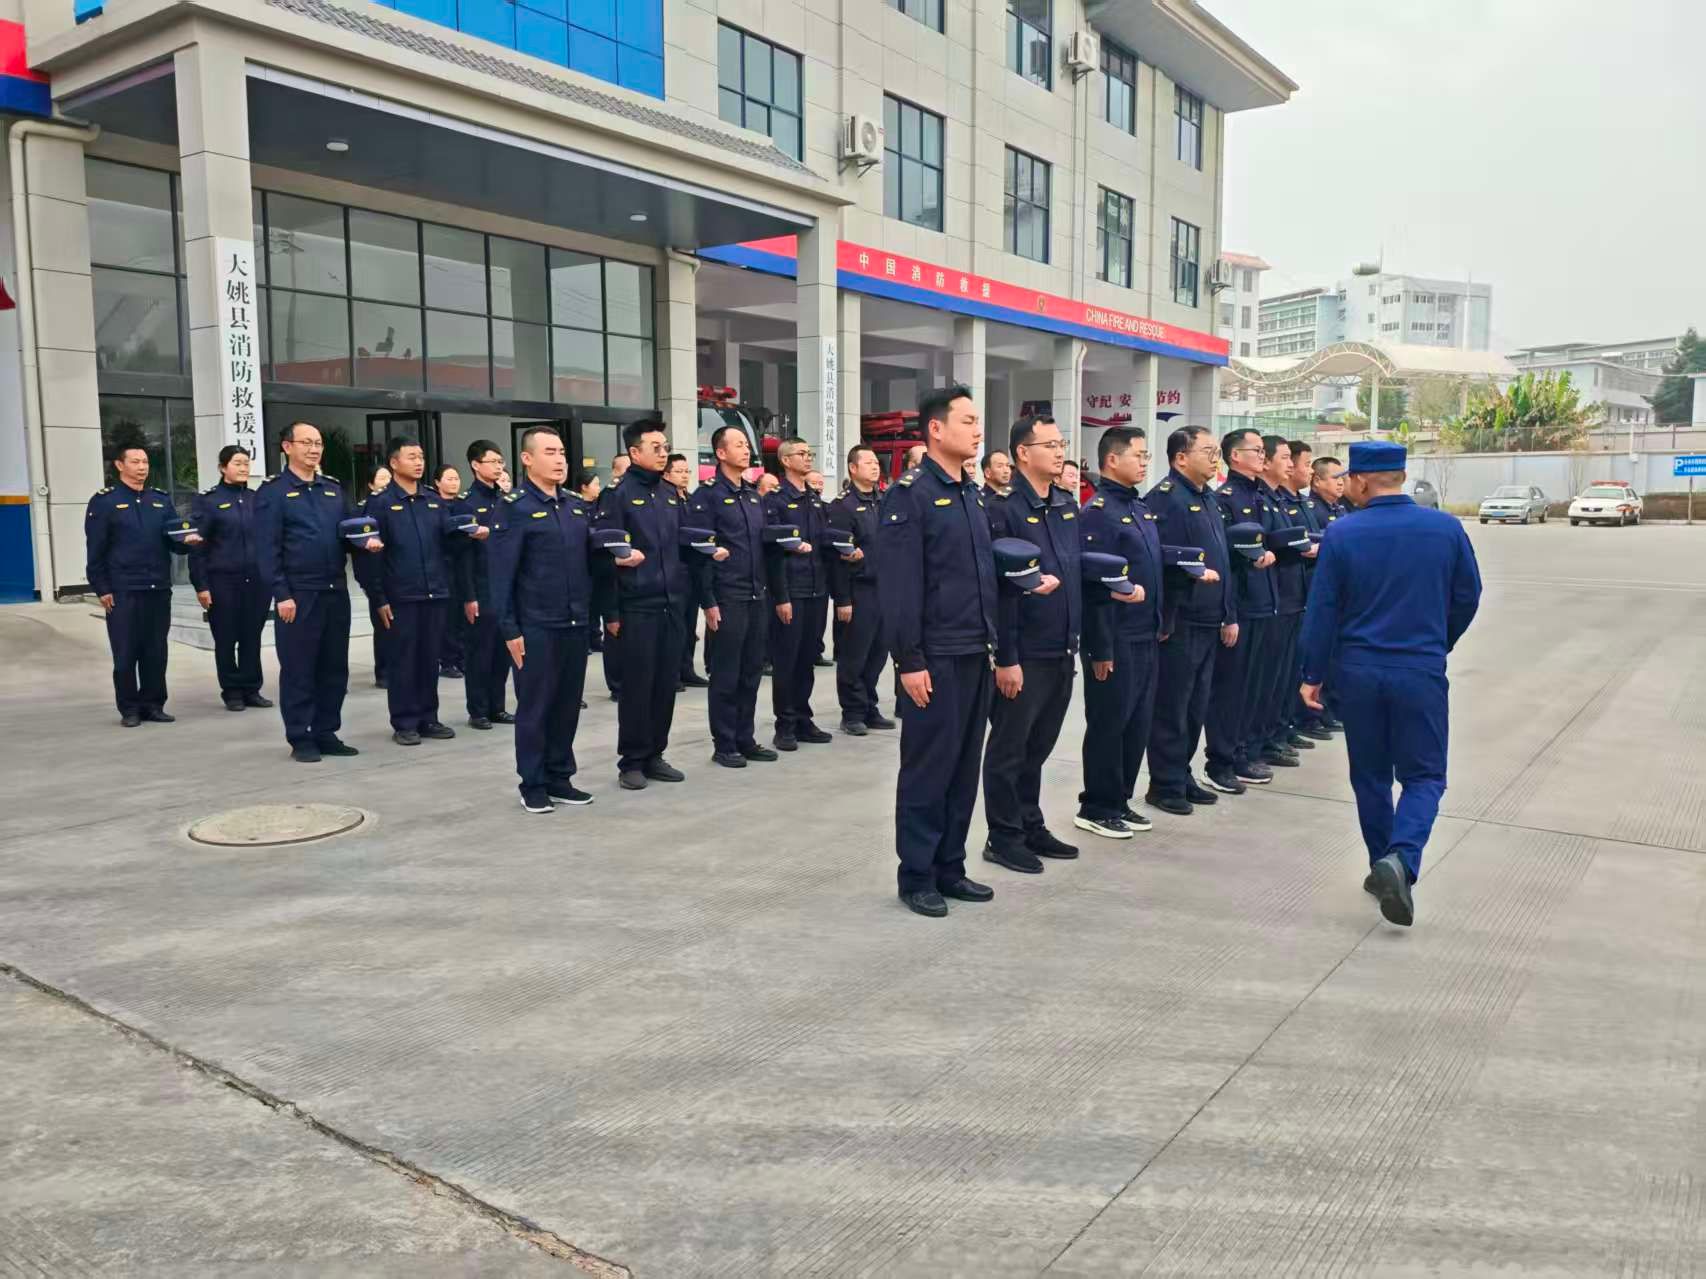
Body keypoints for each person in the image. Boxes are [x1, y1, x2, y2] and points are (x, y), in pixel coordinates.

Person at [1299, 441, 1482, 927]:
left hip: (1359, 671)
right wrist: (1437, 642)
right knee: (1425, 776)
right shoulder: (1444, 528)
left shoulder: (1342, 532)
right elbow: (1468, 595)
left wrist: (1312, 674)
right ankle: (1401, 859)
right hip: (1418, 669)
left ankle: (1383, 863)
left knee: (1371, 776)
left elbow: (1323, 610)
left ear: (1361, 480)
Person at [875, 385, 999, 918]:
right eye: (967, 420)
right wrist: (910, 660)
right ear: (935, 429)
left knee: (964, 768)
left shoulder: (971, 492)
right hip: (936, 655)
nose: (977, 429)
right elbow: (900, 586)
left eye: (978, 420)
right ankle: (918, 875)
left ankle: (951, 865)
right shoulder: (911, 494)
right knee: (928, 768)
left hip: (974, 650)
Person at [980, 413, 1080, 874]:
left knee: (1038, 746)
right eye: (1050, 445)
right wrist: (1007, 657)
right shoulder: (1002, 509)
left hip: (1061, 646)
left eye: (1061, 445)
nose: (1059, 453)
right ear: (1023, 453)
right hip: (1024, 651)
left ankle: (1029, 823)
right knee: (1009, 749)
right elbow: (1000, 591)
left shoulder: (1064, 505)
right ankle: (1003, 836)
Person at [487, 425, 600, 813]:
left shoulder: (574, 506)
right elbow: (500, 574)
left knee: (567, 706)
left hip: (574, 622)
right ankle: (532, 782)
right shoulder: (513, 507)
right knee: (535, 707)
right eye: (549, 452)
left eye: (562, 453)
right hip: (535, 625)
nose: (559, 460)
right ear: (527, 458)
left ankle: (559, 777)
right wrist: (509, 628)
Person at [253, 421, 380, 761]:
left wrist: (366, 541)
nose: (314, 449)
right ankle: (300, 736)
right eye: (306, 442)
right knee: (299, 667)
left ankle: (326, 731)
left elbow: (350, 530)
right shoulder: (273, 492)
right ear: (287, 447)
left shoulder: (332, 490)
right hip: (299, 593)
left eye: (318, 443)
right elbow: (266, 549)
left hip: (334, 589)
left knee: (334, 667)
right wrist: (281, 594)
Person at [356, 436, 485, 746]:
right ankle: (404, 721)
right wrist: (378, 597)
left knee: (429, 659)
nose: (418, 462)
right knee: (404, 660)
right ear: (394, 462)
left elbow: (447, 545)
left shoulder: (433, 501)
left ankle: (428, 718)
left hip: (435, 593)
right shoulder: (381, 503)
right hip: (400, 595)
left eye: (421, 457)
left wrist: (469, 536)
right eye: (411, 457)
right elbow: (370, 556)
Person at [594, 418, 697, 789]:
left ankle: (655, 754)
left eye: (665, 446)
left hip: (671, 604)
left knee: (665, 684)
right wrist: (611, 612)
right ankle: (632, 761)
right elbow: (602, 555)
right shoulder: (618, 495)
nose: (663, 452)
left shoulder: (669, 494)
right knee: (638, 686)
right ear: (634, 452)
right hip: (636, 606)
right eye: (655, 447)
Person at [1074, 427, 1164, 838]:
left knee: (1136, 724)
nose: (1145, 462)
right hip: (1116, 636)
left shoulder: (1139, 508)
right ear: (1112, 459)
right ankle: (1096, 805)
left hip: (1145, 633)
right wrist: (1100, 648)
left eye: (1146, 456)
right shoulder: (1098, 512)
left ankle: (1120, 800)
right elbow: (1094, 586)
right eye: (1138, 455)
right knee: (1109, 723)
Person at [1144, 426, 1234, 816]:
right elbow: (1160, 565)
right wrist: (1165, 620)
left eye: (1217, 452)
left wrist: (1228, 613)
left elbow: (1222, 561)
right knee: (1172, 706)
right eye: (1208, 451)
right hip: (1181, 621)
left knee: (1196, 707)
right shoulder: (1165, 499)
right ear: (1181, 458)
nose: (1215, 459)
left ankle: (1181, 773)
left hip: (1210, 618)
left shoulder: (1208, 497)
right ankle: (1164, 783)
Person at [85, 443, 200, 726]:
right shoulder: (105, 502)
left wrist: (188, 542)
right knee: (126, 653)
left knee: (155, 651)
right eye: (135, 462)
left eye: (145, 462)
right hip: (123, 590)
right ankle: (130, 709)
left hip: (157, 588)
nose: (142, 467)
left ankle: (153, 704)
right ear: (119, 465)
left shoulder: (160, 500)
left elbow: (173, 540)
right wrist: (102, 588)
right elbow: (96, 550)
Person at [688, 424, 778, 768]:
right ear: (721, 453)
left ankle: (745, 738)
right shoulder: (707, 496)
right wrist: (708, 601)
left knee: (751, 671)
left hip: (756, 594)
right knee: (726, 673)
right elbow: (699, 553)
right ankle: (724, 743)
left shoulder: (753, 496)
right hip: (727, 595)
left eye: (746, 444)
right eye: (738, 444)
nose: (746, 449)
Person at [1203, 428, 1280, 795]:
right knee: (1230, 689)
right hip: (1243, 603)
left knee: (1254, 685)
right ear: (1235, 456)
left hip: (1266, 601)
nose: (1263, 455)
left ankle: (1244, 750)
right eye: (1257, 450)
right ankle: (1221, 760)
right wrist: (1228, 613)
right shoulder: (1226, 499)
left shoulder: (1261, 495)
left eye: (1264, 450)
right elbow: (1224, 559)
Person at [763, 436, 836, 751]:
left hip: (816, 590)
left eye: (810, 453)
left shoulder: (815, 500)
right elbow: (773, 553)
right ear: (785, 460)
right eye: (802, 453)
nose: (808, 458)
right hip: (791, 590)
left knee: (807, 659)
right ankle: (785, 724)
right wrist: (781, 596)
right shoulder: (776, 500)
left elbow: (823, 544)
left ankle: (804, 718)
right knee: (787, 661)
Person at [189, 445, 271, 713]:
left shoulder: (257, 499)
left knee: (251, 637)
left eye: (246, 463)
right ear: (223, 468)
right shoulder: (208, 501)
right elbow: (197, 546)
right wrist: (201, 585)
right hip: (222, 581)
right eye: (237, 463)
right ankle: (232, 691)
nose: (243, 468)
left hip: (256, 580)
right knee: (226, 638)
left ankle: (251, 689)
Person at [1252, 435, 1315, 766]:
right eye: (1286, 458)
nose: (1290, 465)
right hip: (1270, 600)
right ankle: (1258, 743)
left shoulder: (1276, 500)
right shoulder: (1259, 499)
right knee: (1261, 682)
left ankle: (1277, 733)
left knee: (1283, 676)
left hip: (1290, 598)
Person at [827, 443, 891, 736]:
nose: (875, 466)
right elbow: (837, 557)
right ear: (853, 468)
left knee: (878, 653)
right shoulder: (843, 506)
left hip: (884, 588)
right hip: (859, 589)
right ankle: (852, 712)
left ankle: (869, 706)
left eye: (876, 462)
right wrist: (843, 599)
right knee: (855, 654)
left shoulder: (885, 500)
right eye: (868, 462)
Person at [462, 440, 513, 730]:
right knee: (480, 652)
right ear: (475, 464)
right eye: (492, 461)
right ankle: (478, 709)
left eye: (500, 461)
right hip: (481, 587)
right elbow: (464, 556)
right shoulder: (467, 503)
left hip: (504, 587)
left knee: (502, 651)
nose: (498, 467)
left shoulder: (506, 500)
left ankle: (497, 707)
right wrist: (469, 595)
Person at [665, 452, 710, 690]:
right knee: (675, 627)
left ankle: (687, 669)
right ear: (666, 474)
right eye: (679, 471)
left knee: (690, 623)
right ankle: (671, 674)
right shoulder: (664, 500)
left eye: (687, 471)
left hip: (693, 569)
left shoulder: (692, 500)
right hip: (674, 570)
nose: (684, 475)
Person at [594, 454, 632, 700]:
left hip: (637, 577)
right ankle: (617, 684)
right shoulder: (612, 495)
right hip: (615, 572)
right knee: (615, 630)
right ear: (615, 472)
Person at [432, 463, 468, 680]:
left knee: (463, 616)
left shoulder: (464, 504)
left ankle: (461, 658)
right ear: (438, 482)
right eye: (449, 479)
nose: (454, 483)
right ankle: (448, 660)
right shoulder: (434, 506)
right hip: (443, 567)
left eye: (456, 478)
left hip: (463, 565)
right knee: (448, 617)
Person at [365, 464, 393, 688]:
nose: (387, 482)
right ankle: (383, 671)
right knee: (383, 627)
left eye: (388, 478)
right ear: (371, 484)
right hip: (380, 578)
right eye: (381, 478)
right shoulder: (369, 507)